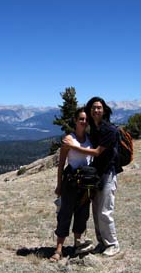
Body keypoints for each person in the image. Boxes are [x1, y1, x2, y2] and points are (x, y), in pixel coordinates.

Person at [63, 96, 120, 257]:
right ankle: (102, 243)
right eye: (93, 108)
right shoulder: (95, 129)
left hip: (107, 173)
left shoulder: (109, 130)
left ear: (104, 110)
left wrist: (74, 147)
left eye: (99, 107)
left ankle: (113, 244)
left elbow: (96, 152)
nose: (96, 110)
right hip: (97, 175)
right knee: (96, 211)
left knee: (105, 211)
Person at [50, 107, 94, 262]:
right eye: (81, 119)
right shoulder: (69, 139)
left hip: (85, 183)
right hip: (71, 181)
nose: (84, 122)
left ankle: (77, 245)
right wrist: (59, 185)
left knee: (82, 215)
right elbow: (61, 164)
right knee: (65, 214)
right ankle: (58, 249)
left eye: (86, 119)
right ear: (75, 121)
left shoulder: (90, 139)